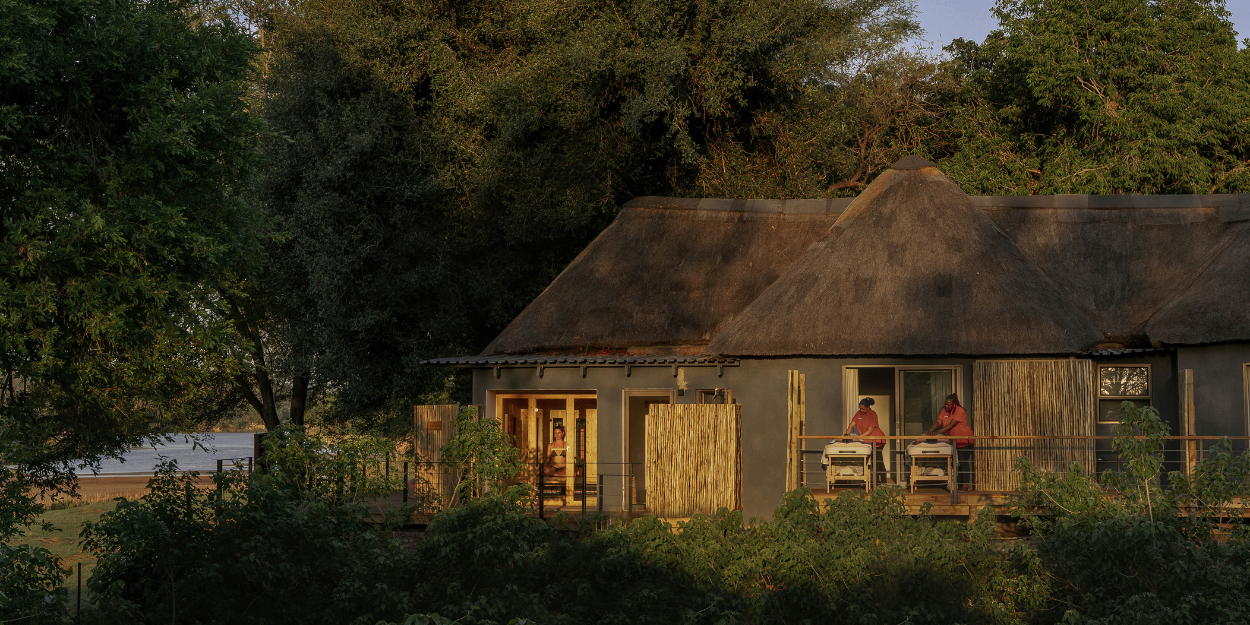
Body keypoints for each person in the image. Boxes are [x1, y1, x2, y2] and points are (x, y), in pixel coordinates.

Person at [927, 393, 975, 491]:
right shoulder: (944, 410)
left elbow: (951, 425)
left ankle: (965, 485)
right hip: (954, 441)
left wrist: (937, 432)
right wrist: (930, 430)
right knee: (957, 463)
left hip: (964, 440)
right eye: (945, 404)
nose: (946, 406)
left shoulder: (960, 410)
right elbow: (939, 421)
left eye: (949, 405)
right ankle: (961, 485)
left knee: (964, 462)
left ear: (954, 404)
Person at [845, 398, 886, 484]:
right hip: (867, 441)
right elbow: (852, 425)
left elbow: (870, 430)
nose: (861, 410)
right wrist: (846, 435)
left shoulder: (873, 414)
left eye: (863, 409)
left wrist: (858, 437)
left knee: (877, 462)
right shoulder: (858, 413)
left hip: (877, 440)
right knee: (871, 461)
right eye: (860, 408)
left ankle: (882, 482)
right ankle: (874, 482)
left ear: (868, 407)